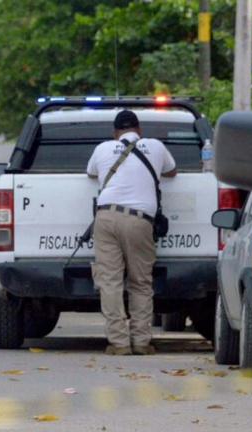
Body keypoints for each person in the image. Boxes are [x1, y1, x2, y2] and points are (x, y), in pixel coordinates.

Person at [86, 110, 177, 355]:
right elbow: (172, 171)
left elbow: (91, 173)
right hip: (140, 221)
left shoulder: (103, 148)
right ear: (139, 130)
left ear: (115, 133)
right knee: (140, 282)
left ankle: (119, 343)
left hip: (105, 217)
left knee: (110, 282)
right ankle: (141, 342)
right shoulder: (155, 146)